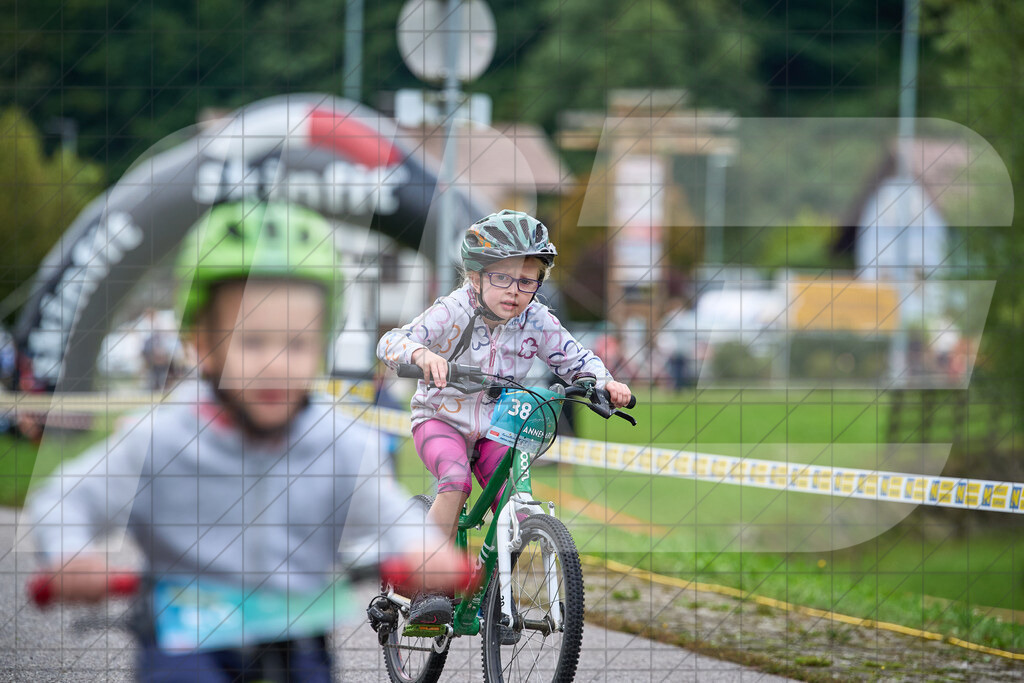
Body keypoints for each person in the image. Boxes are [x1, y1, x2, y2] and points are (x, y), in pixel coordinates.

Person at [25, 201, 465, 682]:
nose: (275, 363)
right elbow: (64, 499)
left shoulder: (339, 443)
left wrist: (426, 552)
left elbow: (387, 511)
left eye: (296, 343)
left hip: (298, 640)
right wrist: (69, 554)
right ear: (201, 343)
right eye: (251, 341)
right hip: (186, 642)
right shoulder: (160, 437)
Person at [377, 209, 632, 625]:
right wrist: (421, 355)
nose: (515, 290)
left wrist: (603, 382)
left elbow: (575, 358)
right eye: (502, 277)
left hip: (497, 425)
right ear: (475, 276)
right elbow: (392, 341)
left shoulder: (536, 319)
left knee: (515, 504)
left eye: (527, 280)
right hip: (440, 418)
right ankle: (425, 580)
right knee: (455, 480)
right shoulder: (453, 309)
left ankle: (496, 585)